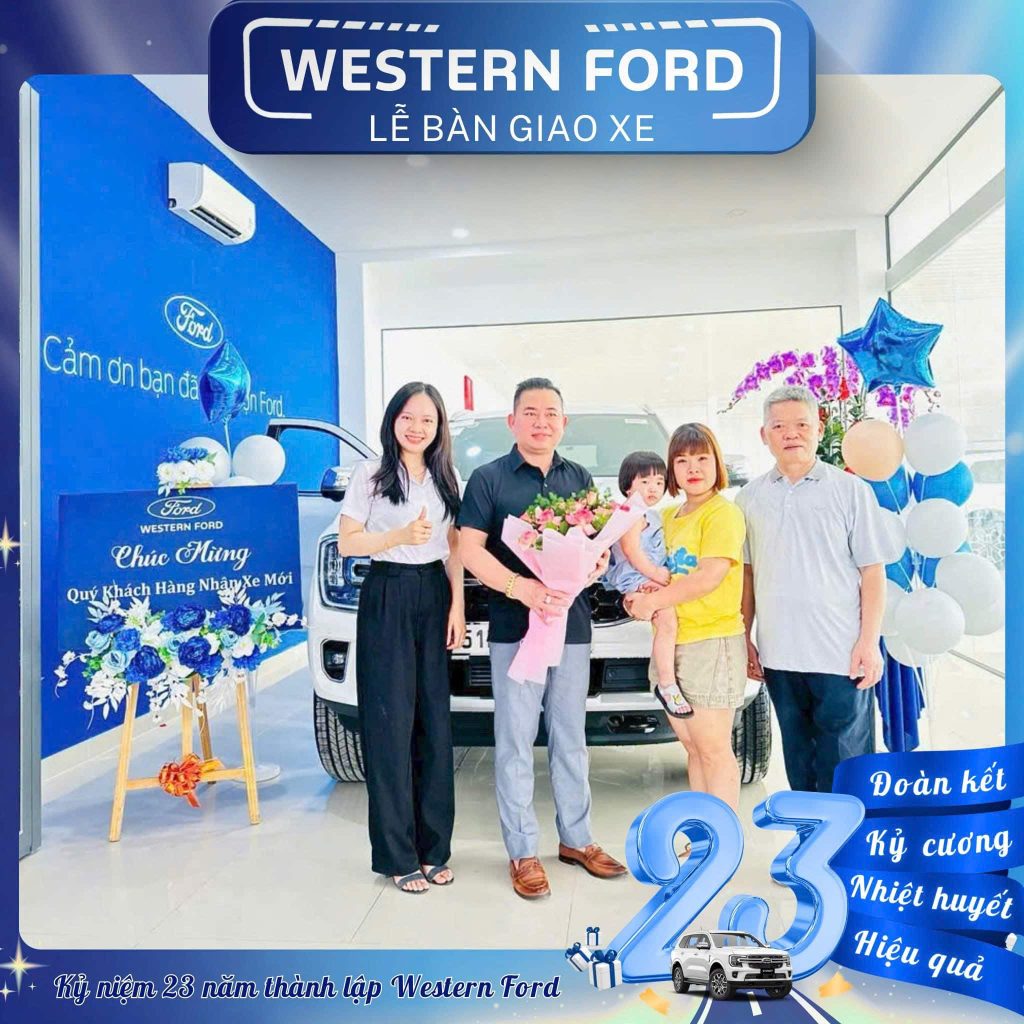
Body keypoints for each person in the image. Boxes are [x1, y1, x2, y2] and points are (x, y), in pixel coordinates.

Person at [458, 377, 626, 900]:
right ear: (512, 421)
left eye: (551, 413)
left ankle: (577, 839)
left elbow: (597, 545)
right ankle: (523, 851)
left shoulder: (579, 478)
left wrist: (598, 561)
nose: (541, 421)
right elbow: (469, 549)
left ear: (563, 423)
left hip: (571, 626)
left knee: (571, 736)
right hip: (515, 627)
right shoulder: (487, 479)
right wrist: (521, 587)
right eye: (530, 412)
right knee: (514, 739)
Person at [338, 382, 466, 894]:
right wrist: (397, 536)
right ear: (393, 420)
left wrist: (457, 605)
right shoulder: (370, 474)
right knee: (390, 723)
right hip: (387, 591)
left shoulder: (446, 476)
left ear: (439, 428)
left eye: (427, 420)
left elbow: (453, 545)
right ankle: (397, 855)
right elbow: (348, 542)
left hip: (434, 593)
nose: (417, 428)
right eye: (408, 417)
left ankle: (435, 849)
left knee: (434, 723)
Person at [736, 385, 887, 794]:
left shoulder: (850, 490)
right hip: (780, 655)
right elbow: (746, 576)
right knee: (799, 762)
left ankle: (851, 837)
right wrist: (744, 638)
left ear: (819, 429)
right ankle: (807, 833)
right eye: (779, 426)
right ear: (764, 435)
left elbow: (873, 571)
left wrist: (869, 642)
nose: (791, 434)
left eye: (802, 424)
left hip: (841, 652)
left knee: (846, 765)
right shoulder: (748, 499)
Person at [625, 423, 747, 811]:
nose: (692, 468)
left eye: (701, 458)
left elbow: (709, 576)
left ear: (717, 463)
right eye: (682, 460)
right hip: (671, 644)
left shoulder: (723, 514)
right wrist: (635, 595)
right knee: (693, 749)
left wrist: (654, 601)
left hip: (711, 643)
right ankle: (703, 833)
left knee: (714, 750)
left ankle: (724, 837)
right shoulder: (666, 516)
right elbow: (643, 563)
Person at [608, 451, 693, 718]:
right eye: (644, 482)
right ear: (627, 485)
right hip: (638, 579)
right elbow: (631, 551)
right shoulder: (630, 514)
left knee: (668, 623)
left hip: (648, 579)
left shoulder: (652, 514)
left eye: (659, 482)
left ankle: (668, 681)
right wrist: (656, 575)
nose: (653, 488)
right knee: (667, 621)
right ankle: (667, 684)